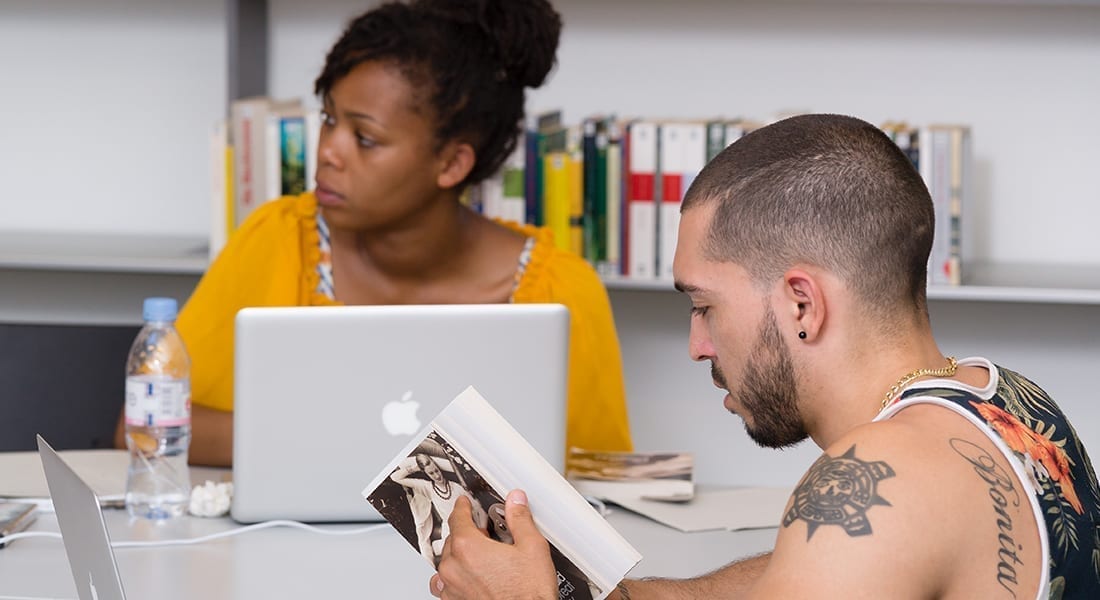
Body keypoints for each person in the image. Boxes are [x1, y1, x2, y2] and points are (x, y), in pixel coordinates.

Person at [427, 114, 1100, 599]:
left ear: (802, 304)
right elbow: (812, 569)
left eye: (704, 305)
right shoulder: (1009, 399)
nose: (697, 345)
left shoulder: (879, 483)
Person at [113, 0, 632, 466]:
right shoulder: (277, 240)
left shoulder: (561, 293)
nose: (328, 152)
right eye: (329, 120)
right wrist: (343, 443)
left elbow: (601, 482)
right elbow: (143, 427)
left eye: (364, 137)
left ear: (451, 163)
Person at [391, 450, 488, 567]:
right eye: (431, 473)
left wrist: (482, 531)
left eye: (437, 470)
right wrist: (416, 468)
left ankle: (439, 546)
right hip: (448, 531)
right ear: (427, 474)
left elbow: (479, 510)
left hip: (467, 526)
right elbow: (395, 477)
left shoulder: (456, 487)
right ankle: (439, 547)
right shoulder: (427, 487)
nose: (437, 476)